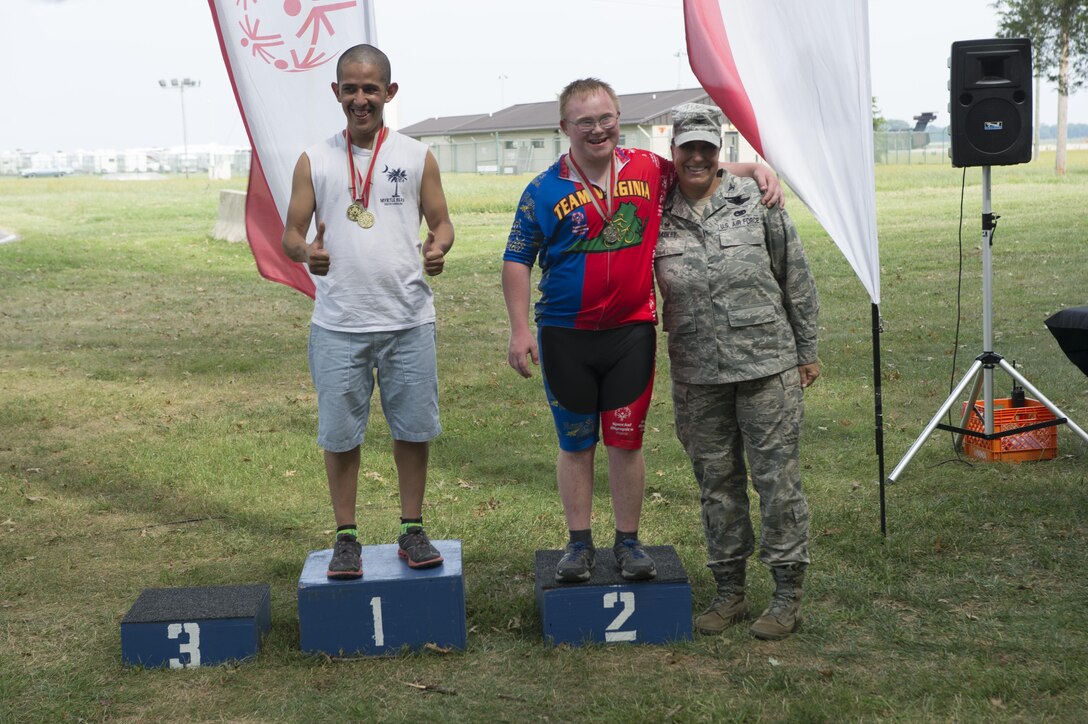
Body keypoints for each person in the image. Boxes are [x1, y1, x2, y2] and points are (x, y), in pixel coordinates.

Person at [502, 79, 782, 584]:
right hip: (565, 334)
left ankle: (629, 543)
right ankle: (578, 544)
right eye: (584, 121)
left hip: (631, 332)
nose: (597, 129)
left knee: (626, 442)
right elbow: (517, 258)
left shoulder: (647, 168)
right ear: (564, 127)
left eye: (606, 117)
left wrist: (756, 168)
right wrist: (519, 329)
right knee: (575, 442)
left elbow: (701, 169)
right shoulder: (543, 189)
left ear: (618, 118)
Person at [281, 44, 455, 580]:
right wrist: (305, 252)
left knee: (413, 429)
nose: (361, 99)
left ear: (389, 93)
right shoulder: (315, 159)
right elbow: (290, 233)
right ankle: (346, 536)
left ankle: (412, 528)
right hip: (339, 325)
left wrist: (437, 247)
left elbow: (442, 222)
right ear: (336, 93)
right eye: (350, 89)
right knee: (340, 435)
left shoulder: (415, 155)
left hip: (407, 320)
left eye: (371, 89)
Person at [654, 103, 819, 640]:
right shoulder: (657, 207)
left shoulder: (757, 198)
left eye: (707, 147)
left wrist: (806, 350)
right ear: (674, 152)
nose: (697, 156)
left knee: (777, 481)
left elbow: (794, 272)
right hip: (697, 372)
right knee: (716, 485)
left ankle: (787, 593)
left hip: (766, 364)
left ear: (719, 149)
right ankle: (730, 592)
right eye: (688, 148)